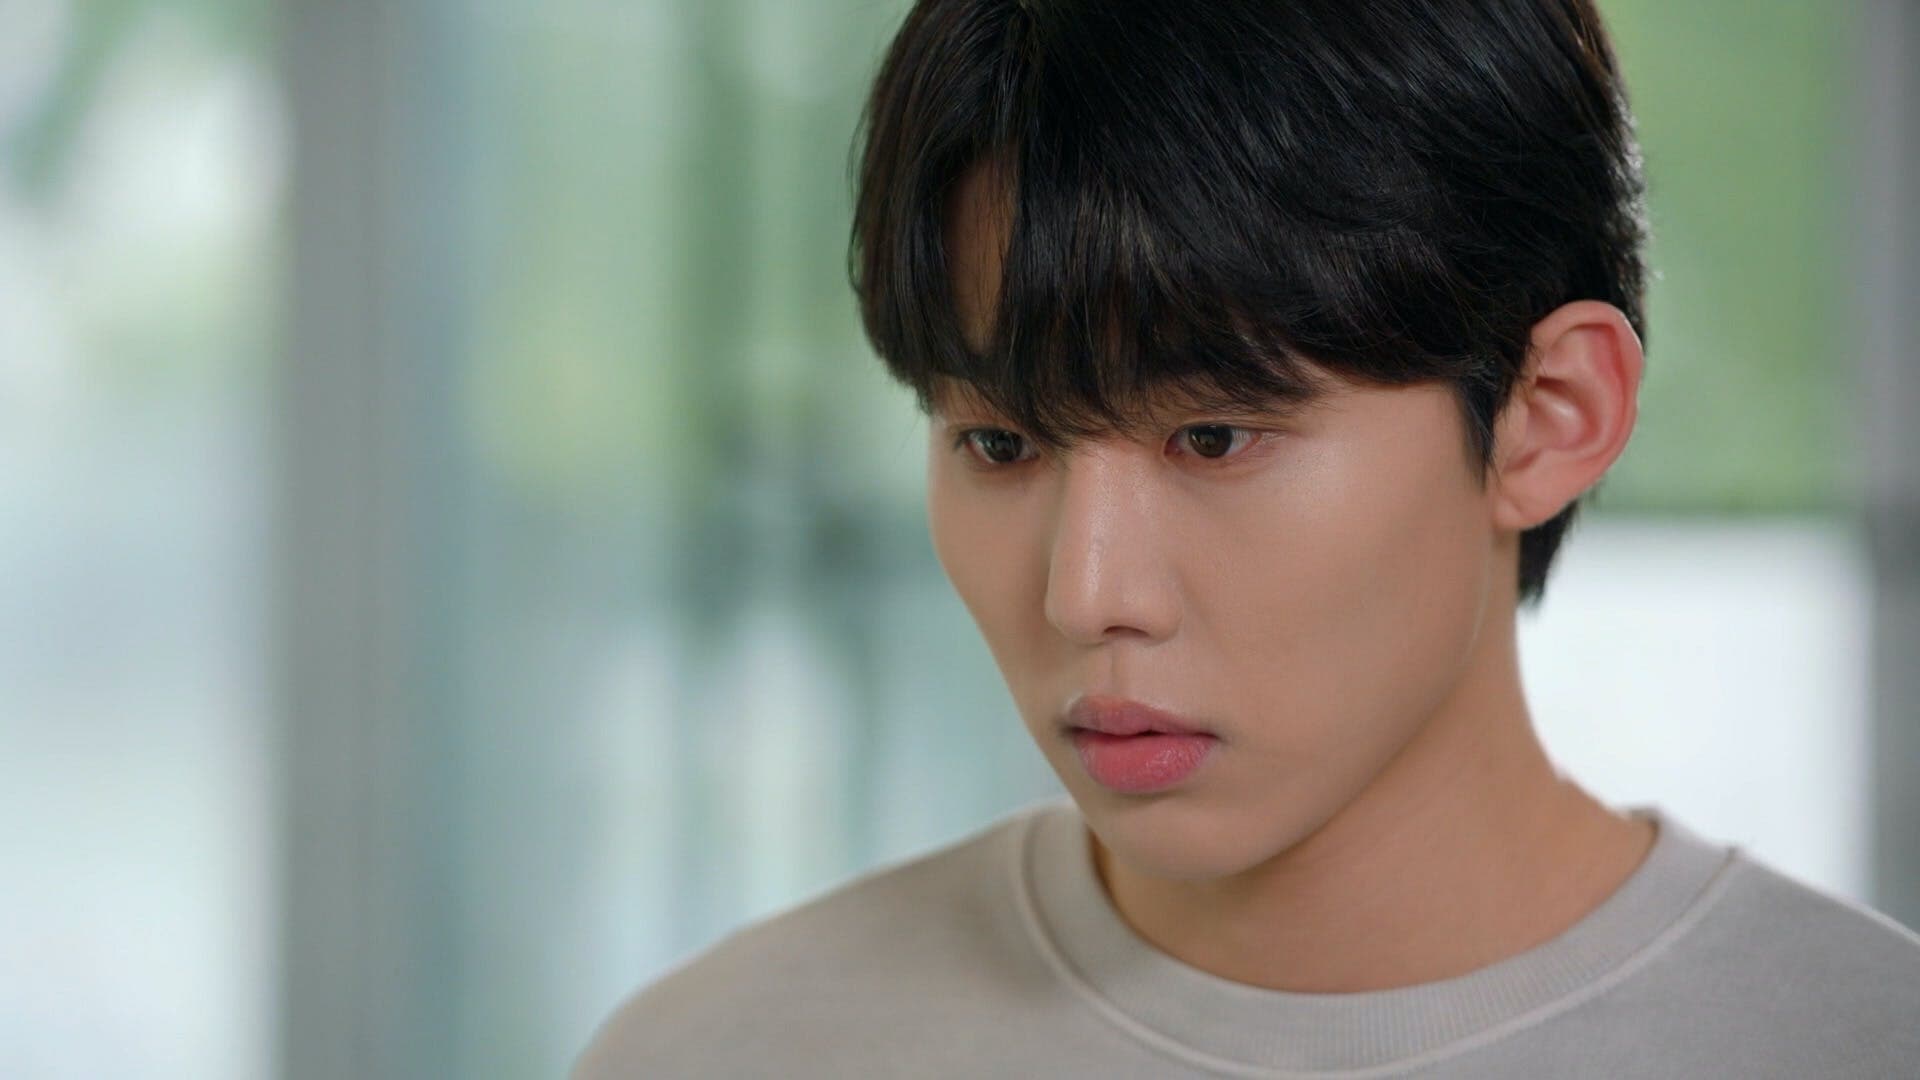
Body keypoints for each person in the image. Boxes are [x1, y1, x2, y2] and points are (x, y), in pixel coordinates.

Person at [575, 1, 1920, 1075]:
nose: (1087, 593)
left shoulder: (1853, 1042)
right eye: (1001, 444)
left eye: (1214, 438)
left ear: (1547, 418)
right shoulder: (728, 1053)